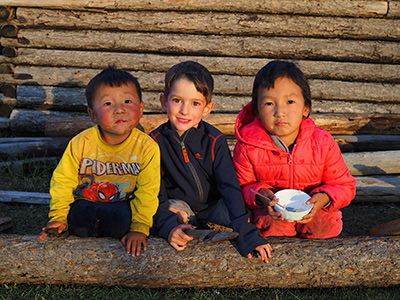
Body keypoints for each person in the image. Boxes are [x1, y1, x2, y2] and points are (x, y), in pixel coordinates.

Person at [150, 61, 272, 263]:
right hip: (183, 206)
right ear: (164, 101)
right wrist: (168, 227)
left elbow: (229, 187)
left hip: (215, 206)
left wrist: (246, 233)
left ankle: (213, 226)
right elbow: (156, 192)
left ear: (207, 108)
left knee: (238, 209)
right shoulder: (154, 142)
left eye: (195, 103)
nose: (184, 110)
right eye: (177, 100)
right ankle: (183, 227)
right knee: (168, 207)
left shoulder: (214, 140)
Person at [40, 66, 160, 257]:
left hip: (122, 206)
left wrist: (140, 227)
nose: (119, 110)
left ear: (142, 108)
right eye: (107, 104)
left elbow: (148, 191)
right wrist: (58, 216)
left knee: (120, 218)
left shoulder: (147, 147)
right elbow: (63, 181)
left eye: (128, 101)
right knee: (79, 216)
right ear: (92, 114)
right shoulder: (81, 143)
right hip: (85, 203)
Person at [233, 60, 356, 238]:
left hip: (314, 209)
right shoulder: (247, 146)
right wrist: (261, 195)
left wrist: (324, 198)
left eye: (290, 101)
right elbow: (241, 187)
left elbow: (344, 186)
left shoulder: (322, 142)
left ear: (305, 108)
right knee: (270, 226)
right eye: (269, 103)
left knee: (324, 225)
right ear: (257, 110)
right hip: (271, 212)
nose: (279, 112)